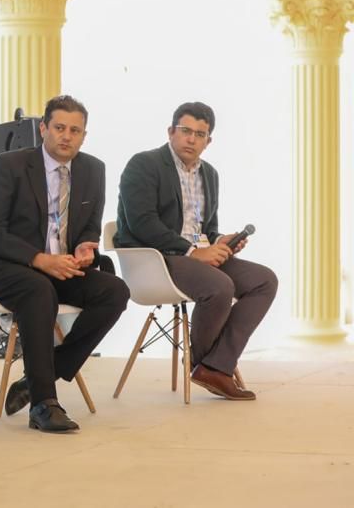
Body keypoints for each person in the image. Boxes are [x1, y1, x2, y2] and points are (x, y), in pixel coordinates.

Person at [0, 95, 129, 433]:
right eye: (59, 128)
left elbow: (90, 225)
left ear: (84, 135)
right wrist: (39, 259)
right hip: (9, 264)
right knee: (38, 290)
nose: (66, 136)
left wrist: (85, 246)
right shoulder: (10, 165)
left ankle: (43, 371)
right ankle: (43, 403)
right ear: (43, 129)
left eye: (75, 131)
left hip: (61, 266)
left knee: (115, 291)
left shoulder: (93, 169)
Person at [115, 101, 277, 400]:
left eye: (200, 134)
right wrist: (191, 252)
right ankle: (207, 366)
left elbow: (206, 228)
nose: (191, 139)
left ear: (208, 140)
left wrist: (221, 241)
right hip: (157, 258)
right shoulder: (144, 164)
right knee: (219, 285)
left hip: (197, 257)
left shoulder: (209, 174)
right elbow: (142, 223)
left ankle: (216, 366)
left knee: (264, 280)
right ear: (171, 131)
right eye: (185, 131)